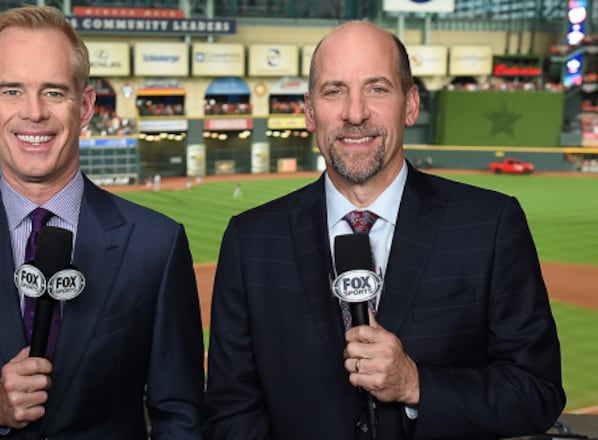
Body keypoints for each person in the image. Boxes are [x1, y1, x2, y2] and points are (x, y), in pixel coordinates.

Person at [204, 21, 564, 439]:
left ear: (410, 104)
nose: (355, 113)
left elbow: (536, 393)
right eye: (334, 90)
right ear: (308, 111)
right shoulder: (250, 241)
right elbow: (231, 411)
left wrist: (416, 385)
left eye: (377, 88)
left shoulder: (491, 224)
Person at [0, 6, 204, 439]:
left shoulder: (156, 244)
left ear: (84, 106)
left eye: (54, 92)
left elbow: (180, 412)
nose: (33, 112)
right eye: (11, 91)